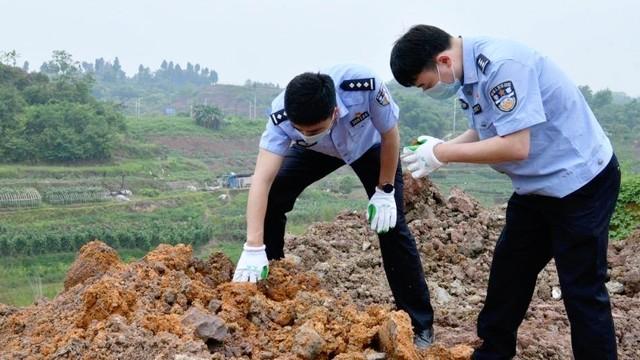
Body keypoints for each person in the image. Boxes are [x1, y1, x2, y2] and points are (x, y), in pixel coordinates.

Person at [390, 25, 620, 359]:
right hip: (535, 190)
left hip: (580, 184)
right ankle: (492, 354)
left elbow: (515, 146)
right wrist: (443, 149)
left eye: (426, 85)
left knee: (581, 288)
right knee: (508, 276)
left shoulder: (502, 66)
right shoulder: (469, 75)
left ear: (442, 60)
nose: (428, 92)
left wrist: (443, 154)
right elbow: (485, 128)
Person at [231, 63, 435, 348]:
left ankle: (419, 324)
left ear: (335, 112)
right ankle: (273, 278)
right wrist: (253, 245)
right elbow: (261, 181)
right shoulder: (282, 117)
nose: (304, 132)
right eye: (298, 129)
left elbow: (390, 135)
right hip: (317, 151)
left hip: (369, 145)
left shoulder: (363, 86)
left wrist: (385, 189)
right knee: (275, 195)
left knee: (391, 225)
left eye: (312, 128)